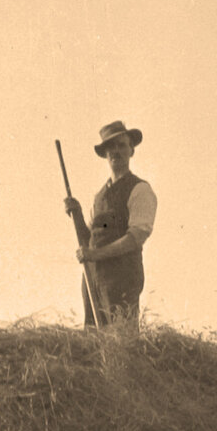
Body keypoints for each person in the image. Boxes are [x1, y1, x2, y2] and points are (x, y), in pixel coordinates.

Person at [64, 120, 156, 328]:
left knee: (121, 342)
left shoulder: (140, 190)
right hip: (94, 279)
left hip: (123, 276)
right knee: (93, 341)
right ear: (105, 154)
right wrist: (76, 214)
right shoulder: (99, 196)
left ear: (131, 150)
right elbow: (89, 240)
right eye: (110, 147)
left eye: (121, 145)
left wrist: (95, 255)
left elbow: (135, 238)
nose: (116, 151)